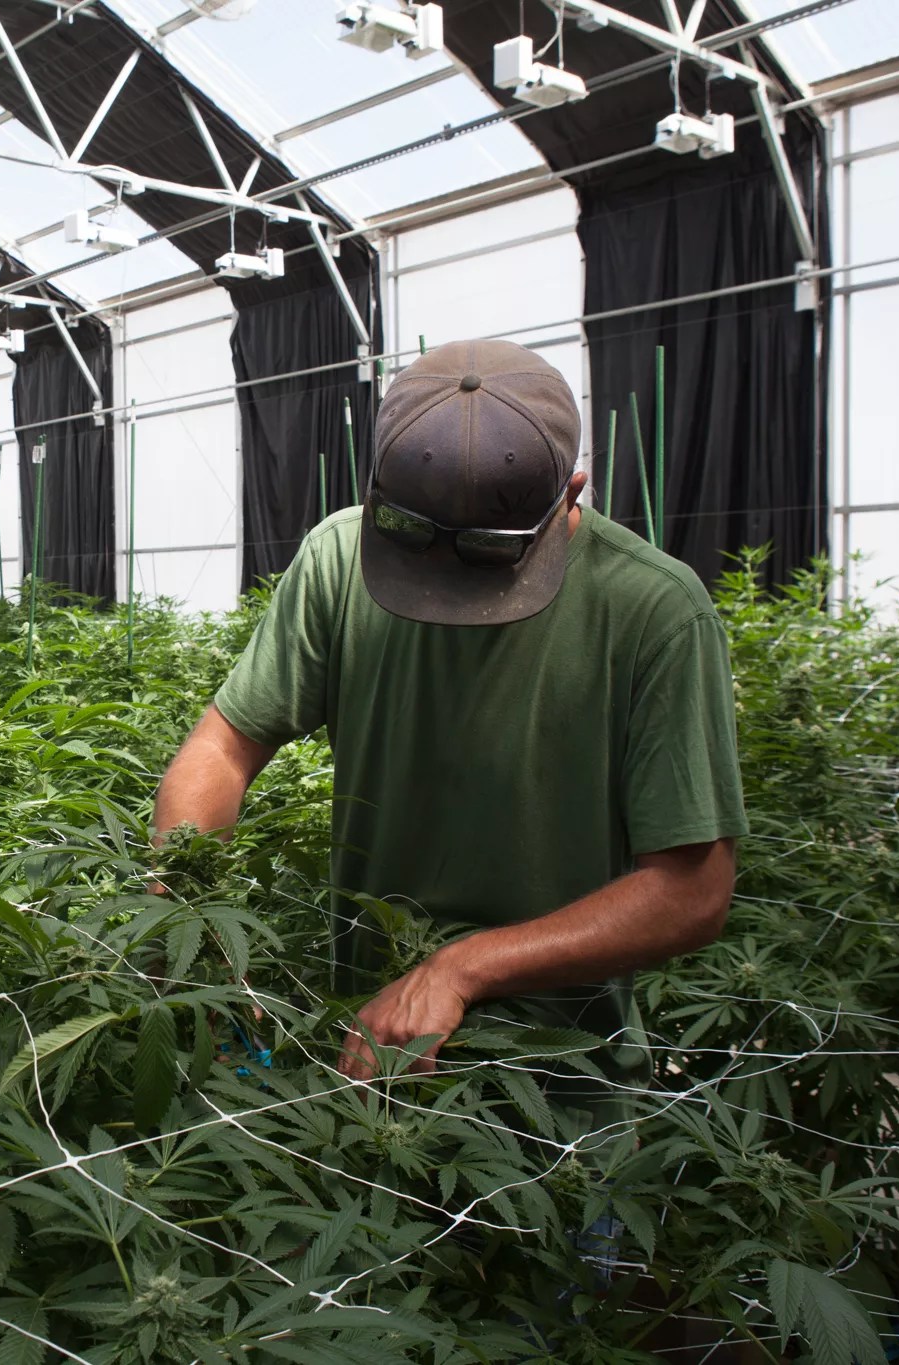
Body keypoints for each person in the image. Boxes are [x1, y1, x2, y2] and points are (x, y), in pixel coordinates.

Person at [152, 339, 747, 1092]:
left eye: (485, 551)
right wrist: (189, 923)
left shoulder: (655, 612)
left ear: (572, 491)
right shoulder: (337, 561)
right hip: (359, 1059)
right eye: (411, 540)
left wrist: (465, 967)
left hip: (555, 1084)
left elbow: (691, 891)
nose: (440, 584)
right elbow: (224, 748)